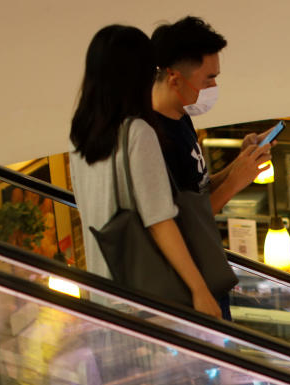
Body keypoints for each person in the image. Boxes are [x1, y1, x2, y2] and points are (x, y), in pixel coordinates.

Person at [69, 24, 222, 317]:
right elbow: (160, 221)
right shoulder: (137, 132)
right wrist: (199, 290)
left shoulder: (79, 133)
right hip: (148, 295)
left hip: (104, 284)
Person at [149, 16, 272, 216]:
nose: (214, 88)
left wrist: (243, 161)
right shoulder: (152, 138)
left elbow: (200, 189)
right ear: (175, 79)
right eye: (208, 80)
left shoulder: (181, 115)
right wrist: (233, 184)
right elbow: (185, 223)